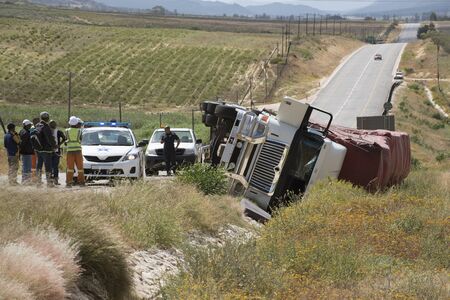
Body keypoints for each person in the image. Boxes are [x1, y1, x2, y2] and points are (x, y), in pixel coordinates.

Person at [35, 112, 57, 187]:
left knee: (39, 166)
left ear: (41, 117)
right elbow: (49, 138)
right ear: (47, 118)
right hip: (46, 150)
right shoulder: (46, 126)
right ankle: (49, 183)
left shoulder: (37, 126)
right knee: (48, 167)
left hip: (38, 150)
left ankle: (38, 182)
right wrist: (54, 145)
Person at [65, 116, 85, 188]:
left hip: (70, 151)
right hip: (78, 151)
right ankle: (81, 182)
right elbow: (81, 139)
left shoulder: (66, 131)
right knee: (80, 168)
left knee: (70, 168)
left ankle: (69, 183)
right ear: (77, 123)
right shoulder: (79, 131)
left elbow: (66, 140)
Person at [49, 120, 66, 185]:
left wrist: (59, 145)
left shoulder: (58, 132)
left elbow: (64, 138)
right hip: (51, 151)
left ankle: (54, 180)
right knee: (52, 166)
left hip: (55, 152)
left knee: (54, 166)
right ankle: (52, 180)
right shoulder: (49, 131)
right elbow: (64, 138)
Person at [19, 119, 34, 184]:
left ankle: (25, 180)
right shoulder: (26, 133)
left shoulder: (21, 131)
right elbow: (23, 143)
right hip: (27, 152)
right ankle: (26, 181)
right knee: (27, 168)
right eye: (29, 125)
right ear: (26, 125)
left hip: (24, 152)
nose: (30, 126)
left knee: (25, 167)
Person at [30, 117, 40, 181]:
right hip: (34, 149)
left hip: (36, 149)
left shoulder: (35, 128)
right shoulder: (33, 129)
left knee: (36, 164)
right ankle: (34, 179)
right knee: (34, 164)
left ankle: (36, 178)